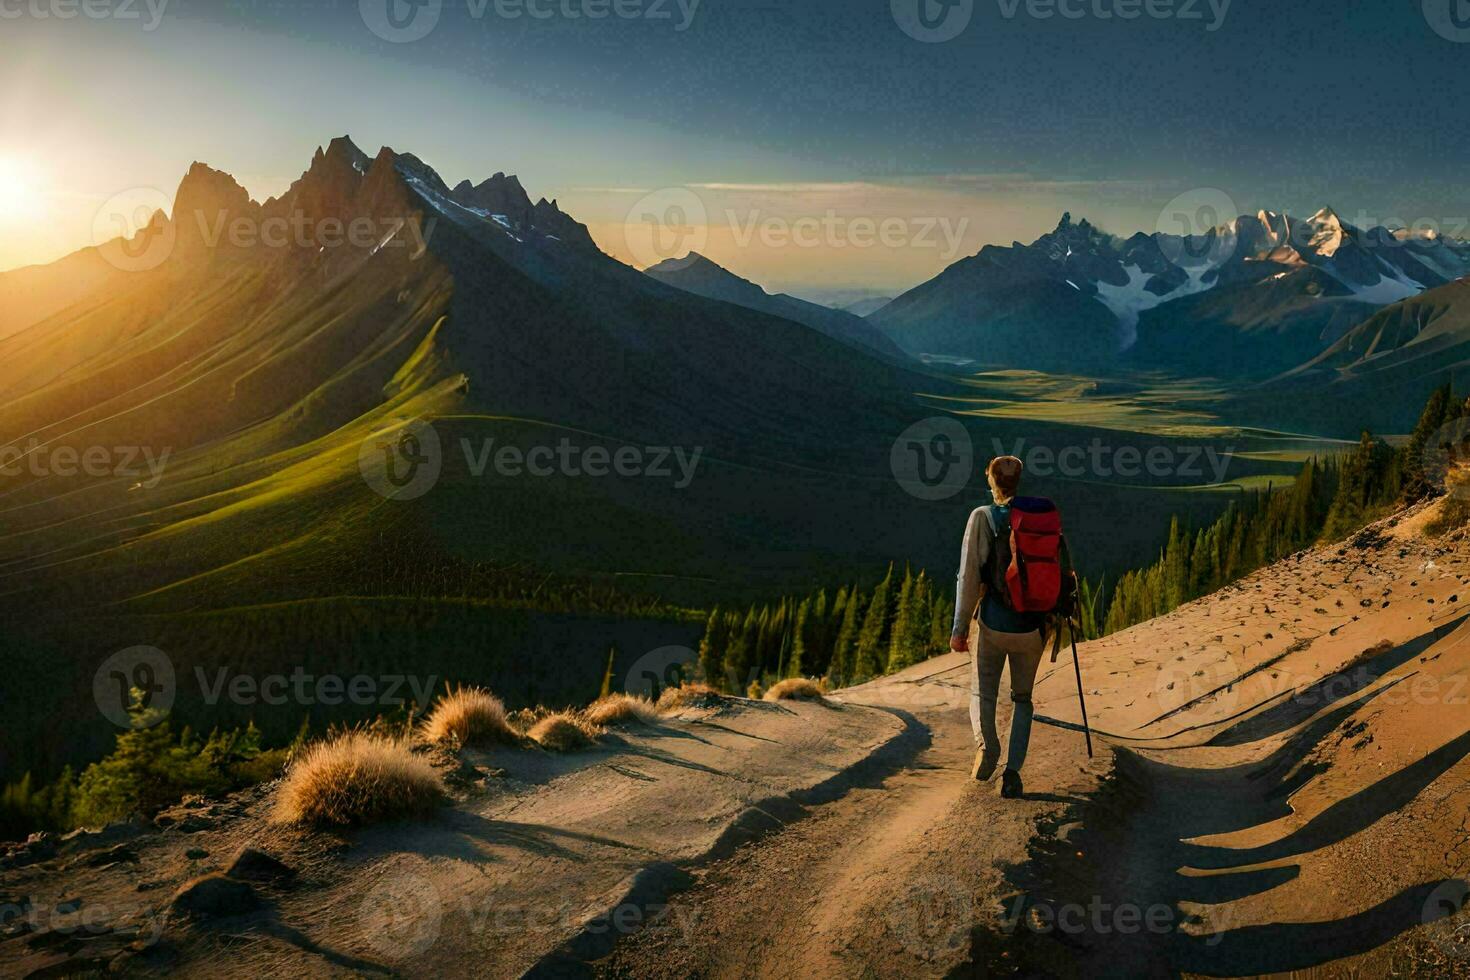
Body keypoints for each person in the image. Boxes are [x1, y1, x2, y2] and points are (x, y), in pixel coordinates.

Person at [949, 456, 1047, 799]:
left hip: (993, 623)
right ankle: (1013, 773)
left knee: (983, 692)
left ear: (991, 481)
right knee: (1023, 699)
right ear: (1019, 481)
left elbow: (968, 576)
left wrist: (960, 627)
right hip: (1032, 627)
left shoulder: (982, 517)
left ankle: (988, 746)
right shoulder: (1038, 516)